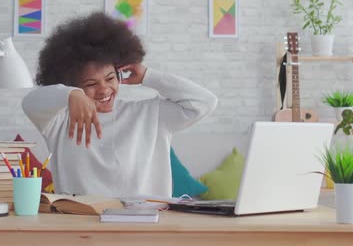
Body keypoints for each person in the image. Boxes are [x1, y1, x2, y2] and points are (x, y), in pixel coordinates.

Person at [22, 12, 218, 197]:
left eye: (110, 78)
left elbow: (204, 102)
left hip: (142, 223)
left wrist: (148, 76)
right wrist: (70, 95)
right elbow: (30, 103)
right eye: (91, 84)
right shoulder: (60, 120)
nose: (104, 89)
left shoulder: (150, 114)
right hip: (80, 223)